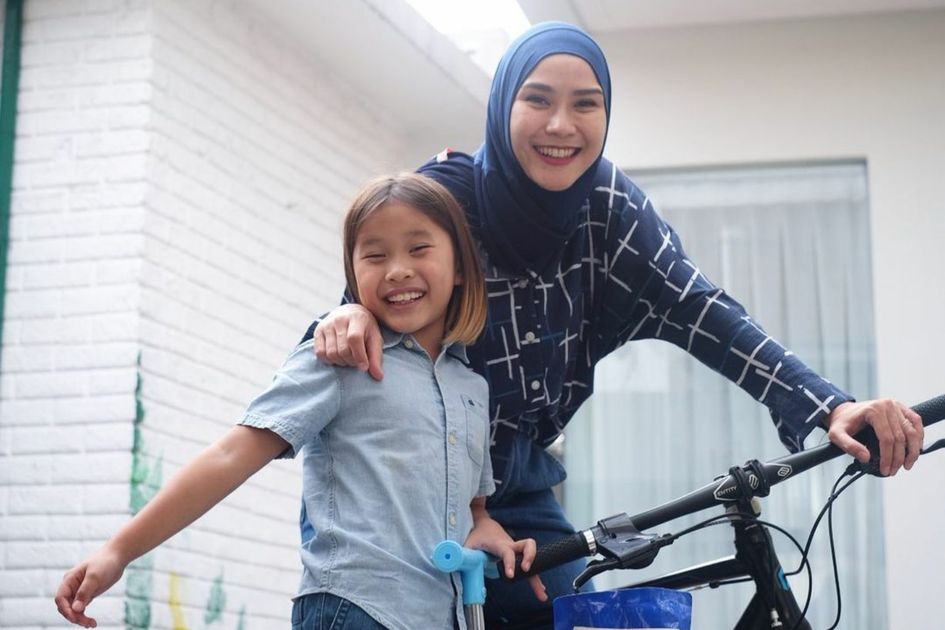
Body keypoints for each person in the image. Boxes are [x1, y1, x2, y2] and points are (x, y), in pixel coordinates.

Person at [308, 22, 924, 627]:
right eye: (537, 99)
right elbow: (358, 321)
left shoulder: (608, 208)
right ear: (501, 107)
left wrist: (828, 405)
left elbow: (701, 308)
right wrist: (348, 312)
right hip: (403, 479)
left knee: (571, 609)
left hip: (515, 478)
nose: (561, 125)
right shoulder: (444, 200)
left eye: (586, 104)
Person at [54, 173, 546, 630]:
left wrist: (484, 527)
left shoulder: (471, 388)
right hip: (353, 609)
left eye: (419, 249)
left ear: (459, 267)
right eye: (375, 255)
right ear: (352, 273)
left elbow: (472, 505)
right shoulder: (341, 358)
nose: (398, 270)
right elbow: (230, 455)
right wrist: (119, 551)